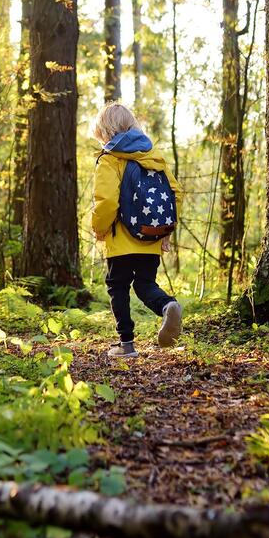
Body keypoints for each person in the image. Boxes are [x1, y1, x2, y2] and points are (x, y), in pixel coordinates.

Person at [90, 103, 183, 358]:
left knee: (117, 285)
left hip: (120, 239)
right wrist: (165, 232)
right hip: (150, 235)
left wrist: (99, 228)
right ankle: (168, 305)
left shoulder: (110, 159)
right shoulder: (154, 156)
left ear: (105, 131)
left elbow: (107, 201)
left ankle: (126, 344)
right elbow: (175, 194)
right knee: (145, 284)